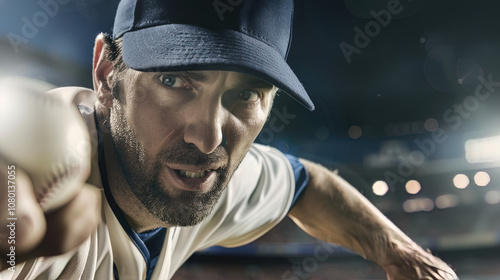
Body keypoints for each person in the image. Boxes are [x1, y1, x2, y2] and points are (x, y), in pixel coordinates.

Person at [0, 0, 459, 279]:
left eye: (244, 94)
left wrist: (404, 256)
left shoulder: (205, 178)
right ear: (105, 74)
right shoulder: (34, 173)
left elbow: (306, 184)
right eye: (175, 82)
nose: (207, 137)